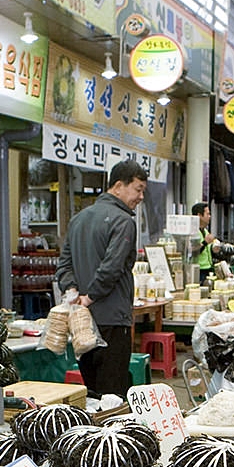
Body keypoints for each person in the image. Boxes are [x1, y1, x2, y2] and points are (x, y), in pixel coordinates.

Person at [57, 160, 147, 401]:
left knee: (93, 392)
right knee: (112, 396)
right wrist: (90, 297)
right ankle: (110, 438)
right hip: (112, 319)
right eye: (138, 189)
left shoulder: (78, 219)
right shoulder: (123, 221)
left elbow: (63, 265)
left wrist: (72, 293)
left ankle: (90, 436)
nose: (140, 197)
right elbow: (112, 267)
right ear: (118, 186)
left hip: (81, 324)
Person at [191, 202, 217, 275]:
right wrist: (205, 242)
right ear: (199, 215)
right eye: (207, 214)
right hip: (199, 269)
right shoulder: (193, 232)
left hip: (208, 267)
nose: (209, 216)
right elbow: (193, 252)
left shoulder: (205, 231)